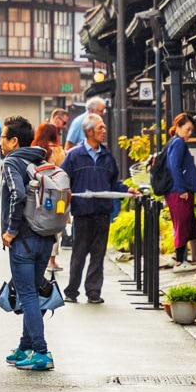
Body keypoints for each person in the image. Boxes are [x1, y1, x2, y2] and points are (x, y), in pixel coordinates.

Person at [0, 115, 57, 371]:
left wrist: (11, 230)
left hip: (23, 238)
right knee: (30, 293)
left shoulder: (12, 161)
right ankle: (25, 347)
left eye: (3, 136)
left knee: (27, 296)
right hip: (45, 236)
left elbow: (18, 194)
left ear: (13, 141)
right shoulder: (40, 159)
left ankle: (42, 352)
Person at [61, 114, 137, 303]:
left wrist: (127, 189)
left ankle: (94, 292)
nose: (104, 131)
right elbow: (62, 179)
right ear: (89, 131)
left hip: (102, 212)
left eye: (104, 128)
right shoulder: (74, 155)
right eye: (100, 128)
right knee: (79, 253)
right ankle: (71, 291)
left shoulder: (107, 156)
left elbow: (113, 183)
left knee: (98, 253)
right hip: (82, 212)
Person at [164, 113, 196, 273]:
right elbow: (174, 167)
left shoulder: (174, 142)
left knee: (181, 223)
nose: (189, 133)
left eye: (191, 130)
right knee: (182, 223)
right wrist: (181, 189)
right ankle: (179, 261)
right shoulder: (178, 143)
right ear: (178, 127)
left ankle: (178, 258)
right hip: (179, 191)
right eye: (187, 129)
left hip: (177, 190)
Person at [32, 122, 68, 271]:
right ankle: (51, 260)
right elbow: (64, 172)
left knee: (37, 223)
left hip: (37, 191)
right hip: (55, 193)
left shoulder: (34, 149)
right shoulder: (58, 151)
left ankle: (37, 256)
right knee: (54, 227)